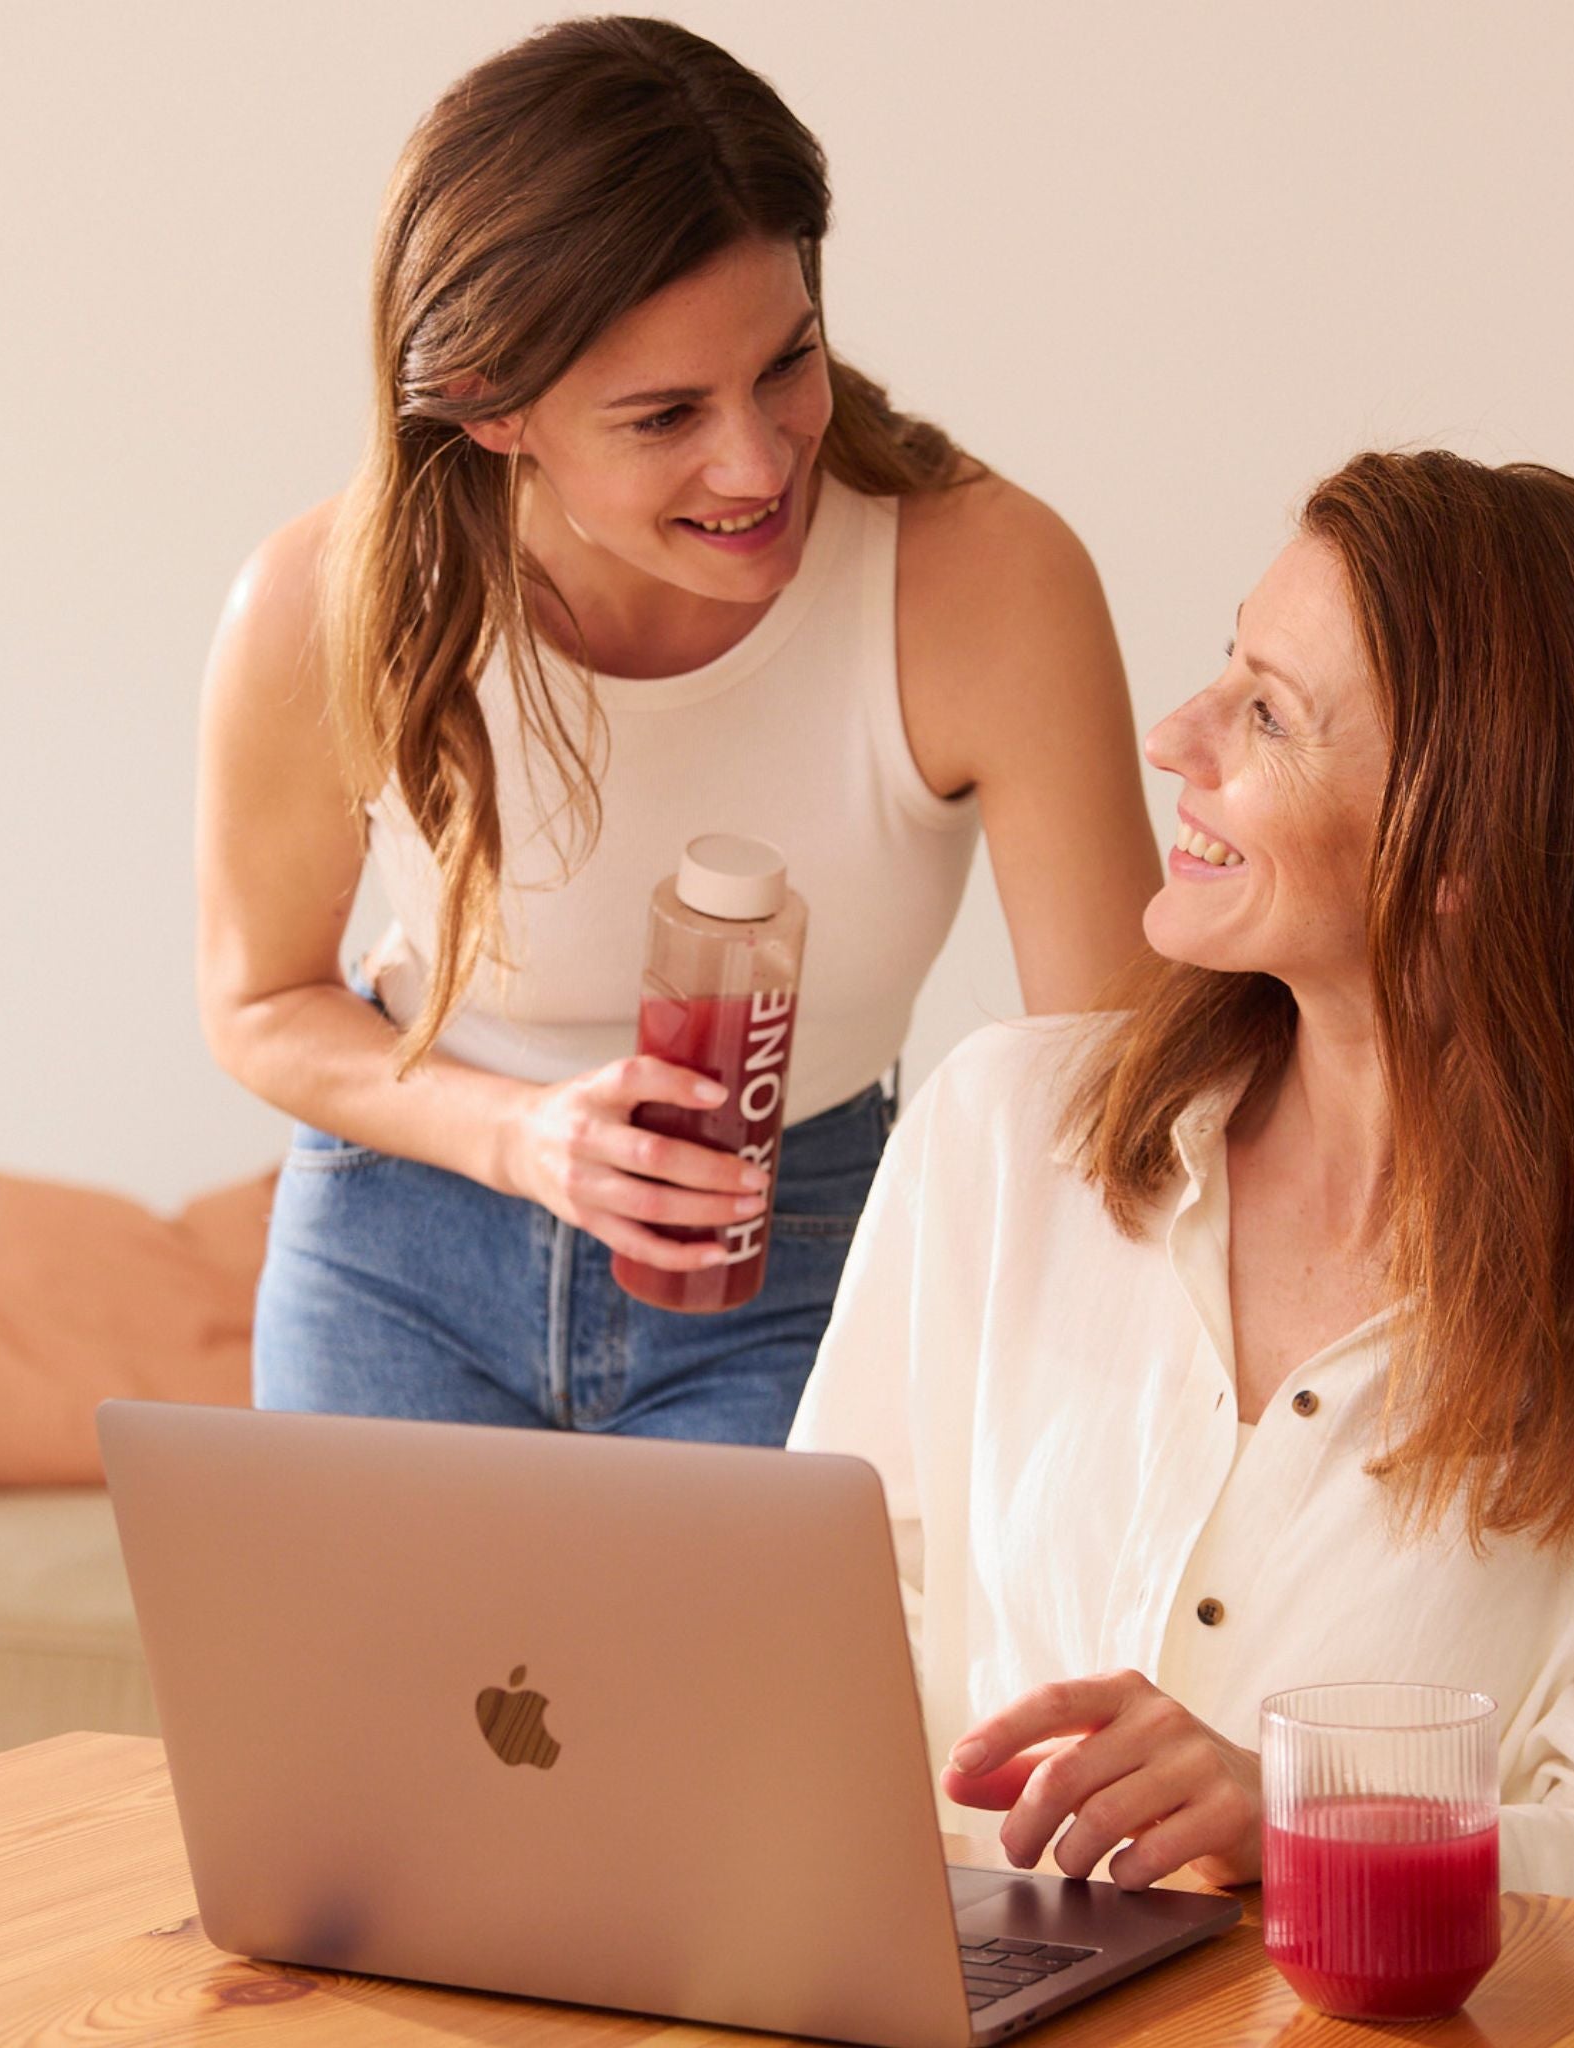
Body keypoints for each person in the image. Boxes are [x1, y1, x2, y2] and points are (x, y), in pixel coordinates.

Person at [789, 450, 1574, 1915]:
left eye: (1268, 715)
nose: (1178, 736)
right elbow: (817, 1649)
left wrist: (1297, 1822)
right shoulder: (1001, 1126)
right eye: (1228, 666)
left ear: (1464, 848)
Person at [195, 17, 1158, 1441]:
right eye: (664, 416)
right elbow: (262, 999)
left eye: (787, 362)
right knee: (362, 1678)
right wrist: (523, 1140)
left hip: (803, 1251)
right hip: (402, 1253)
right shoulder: (325, 604)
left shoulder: (982, 585)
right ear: (492, 411)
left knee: (765, 1676)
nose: (759, 461)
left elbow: (1125, 1078)